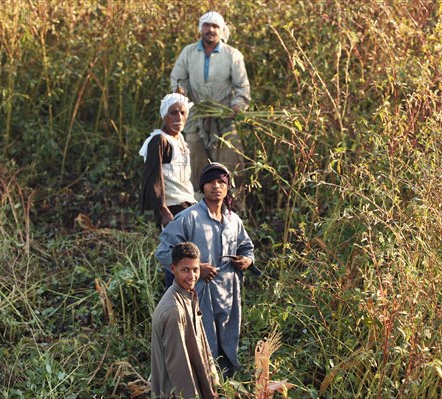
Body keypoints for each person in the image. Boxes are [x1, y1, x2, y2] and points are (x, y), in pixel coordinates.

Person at [155, 162, 259, 377]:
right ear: (202, 187)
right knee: (200, 340)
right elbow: (164, 251)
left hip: (229, 292)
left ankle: (227, 381)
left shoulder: (234, 220)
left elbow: (246, 247)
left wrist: (246, 260)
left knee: (228, 339)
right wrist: (195, 270)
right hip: (198, 293)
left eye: (221, 182)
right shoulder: (188, 218)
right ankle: (203, 383)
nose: (216, 186)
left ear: (227, 187)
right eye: (210, 182)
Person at [170, 11, 251, 204]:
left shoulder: (232, 55)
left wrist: (237, 106)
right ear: (201, 29)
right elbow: (178, 78)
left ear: (222, 30)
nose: (211, 30)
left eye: (215, 26)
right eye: (207, 25)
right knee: (195, 166)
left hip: (224, 118)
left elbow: (242, 87)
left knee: (232, 166)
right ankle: (200, 210)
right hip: (195, 117)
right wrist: (180, 90)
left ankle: (236, 210)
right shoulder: (189, 52)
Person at [140, 93, 197, 288]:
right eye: (173, 113)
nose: (178, 117)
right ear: (165, 115)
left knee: (190, 258)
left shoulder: (181, 140)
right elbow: (152, 177)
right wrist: (163, 211)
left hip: (187, 205)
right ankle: (173, 303)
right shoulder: (159, 140)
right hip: (172, 209)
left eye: (182, 113)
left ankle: (191, 303)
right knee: (177, 257)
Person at [150, 242, 220, 399]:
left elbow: (200, 346)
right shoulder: (174, 310)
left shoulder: (188, 295)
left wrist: (213, 383)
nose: (192, 276)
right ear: (173, 269)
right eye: (185, 270)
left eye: (195, 270)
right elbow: (179, 367)